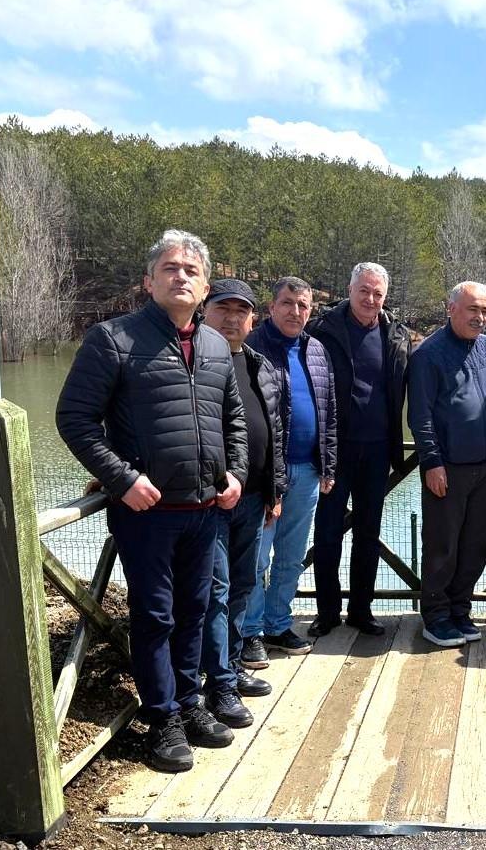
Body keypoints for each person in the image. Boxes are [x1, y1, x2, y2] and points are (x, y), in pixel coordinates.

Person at [56, 229, 247, 772]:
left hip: (204, 510)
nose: (180, 275)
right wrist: (122, 479)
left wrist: (232, 471)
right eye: (169, 268)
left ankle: (189, 702)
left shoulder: (214, 343)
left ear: (205, 285)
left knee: (195, 611)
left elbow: (231, 416)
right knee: (156, 617)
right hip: (147, 515)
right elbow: (74, 420)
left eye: (191, 270)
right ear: (149, 281)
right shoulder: (112, 339)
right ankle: (160, 718)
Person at [307, 262, 411, 638]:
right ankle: (327, 611)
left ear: (385, 297)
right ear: (350, 288)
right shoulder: (322, 329)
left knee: (368, 533)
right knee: (328, 532)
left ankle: (361, 610)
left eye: (378, 293)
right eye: (364, 290)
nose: (370, 299)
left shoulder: (396, 334)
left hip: (379, 449)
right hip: (334, 449)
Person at [199, 279, 286, 728]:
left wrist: (276, 491)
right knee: (215, 592)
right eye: (223, 309)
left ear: (254, 320)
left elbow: (275, 433)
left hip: (253, 498)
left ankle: (229, 669)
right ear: (204, 312)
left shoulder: (259, 365)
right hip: (209, 501)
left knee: (242, 586)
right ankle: (218, 685)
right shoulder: (194, 361)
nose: (232, 318)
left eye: (242, 311)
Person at [241, 277, 338, 665]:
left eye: (303, 305)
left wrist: (328, 464)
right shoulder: (252, 348)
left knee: (292, 556)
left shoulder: (316, 350)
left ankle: (278, 624)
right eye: (287, 303)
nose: (295, 311)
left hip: (308, 471)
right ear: (271, 307)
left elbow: (329, 412)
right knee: (257, 559)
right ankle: (248, 632)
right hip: (266, 475)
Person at [408, 281, 486, 648]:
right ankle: (435, 615)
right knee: (442, 545)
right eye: (472, 309)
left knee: (476, 544)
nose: (479, 317)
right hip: (448, 468)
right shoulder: (427, 355)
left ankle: (460, 609)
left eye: (484, 310)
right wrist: (431, 462)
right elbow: (420, 416)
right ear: (451, 309)